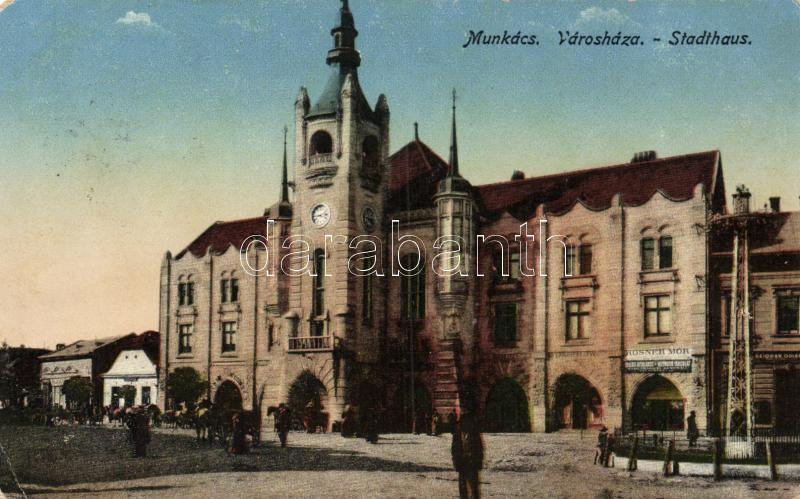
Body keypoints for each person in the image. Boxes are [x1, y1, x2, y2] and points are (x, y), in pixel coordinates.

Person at [451, 411, 484, 499]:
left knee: (474, 488)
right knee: (462, 487)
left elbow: (479, 449)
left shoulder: (475, 435)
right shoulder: (457, 434)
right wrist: (456, 463)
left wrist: (479, 462)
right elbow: (454, 450)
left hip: (472, 463)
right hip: (462, 463)